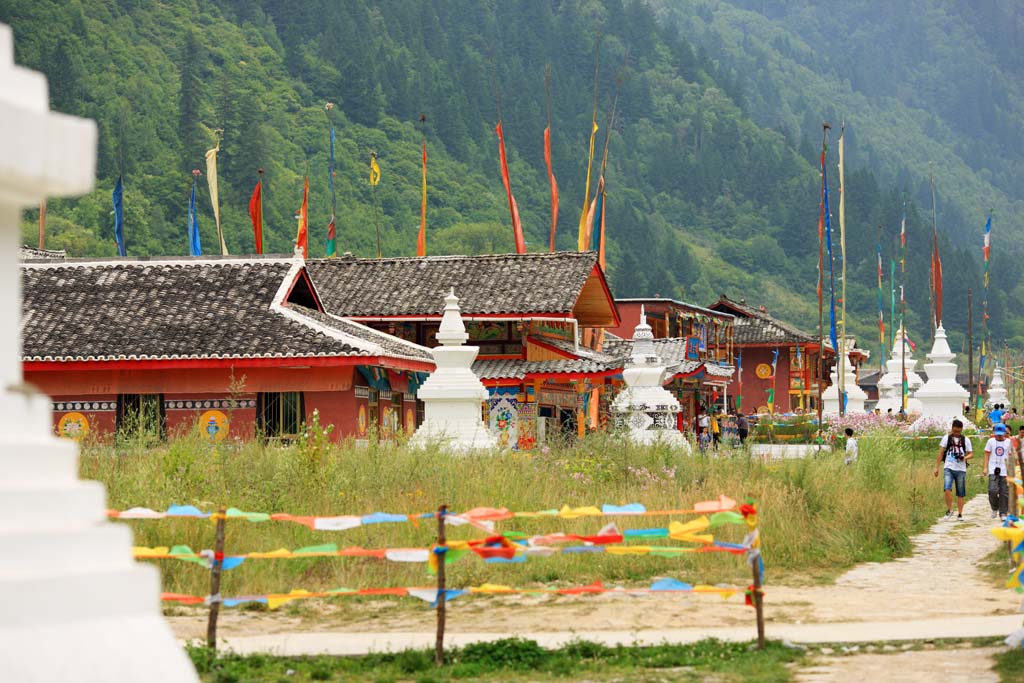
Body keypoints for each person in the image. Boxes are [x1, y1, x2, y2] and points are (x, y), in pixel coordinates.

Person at [934, 419, 973, 520]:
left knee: (960, 493)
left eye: (958, 431)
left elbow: (971, 453)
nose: (956, 433)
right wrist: (936, 467)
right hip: (949, 467)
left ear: (961, 430)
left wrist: (964, 458)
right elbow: (941, 453)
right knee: (947, 488)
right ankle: (949, 510)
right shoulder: (946, 438)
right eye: (955, 431)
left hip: (961, 469)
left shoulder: (966, 440)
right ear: (952, 429)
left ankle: (960, 514)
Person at [985, 423, 1011, 520]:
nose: (999, 435)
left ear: (1005, 433)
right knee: (992, 490)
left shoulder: (1008, 442)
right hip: (993, 469)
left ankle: (1003, 513)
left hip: (1005, 470)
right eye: (997, 433)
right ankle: (994, 507)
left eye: (1001, 433)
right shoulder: (990, 441)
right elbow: (986, 454)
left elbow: (1011, 456)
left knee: (1004, 492)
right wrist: (985, 467)